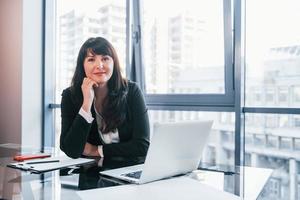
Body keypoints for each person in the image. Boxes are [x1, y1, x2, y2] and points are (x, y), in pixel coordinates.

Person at [60, 37, 150, 159]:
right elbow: (71, 150)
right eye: (91, 59)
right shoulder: (70, 96)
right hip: (92, 173)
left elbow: (142, 146)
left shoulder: (132, 91)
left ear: (114, 63)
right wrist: (86, 104)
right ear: (83, 65)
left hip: (129, 170)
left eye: (105, 58)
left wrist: (96, 150)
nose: (99, 65)